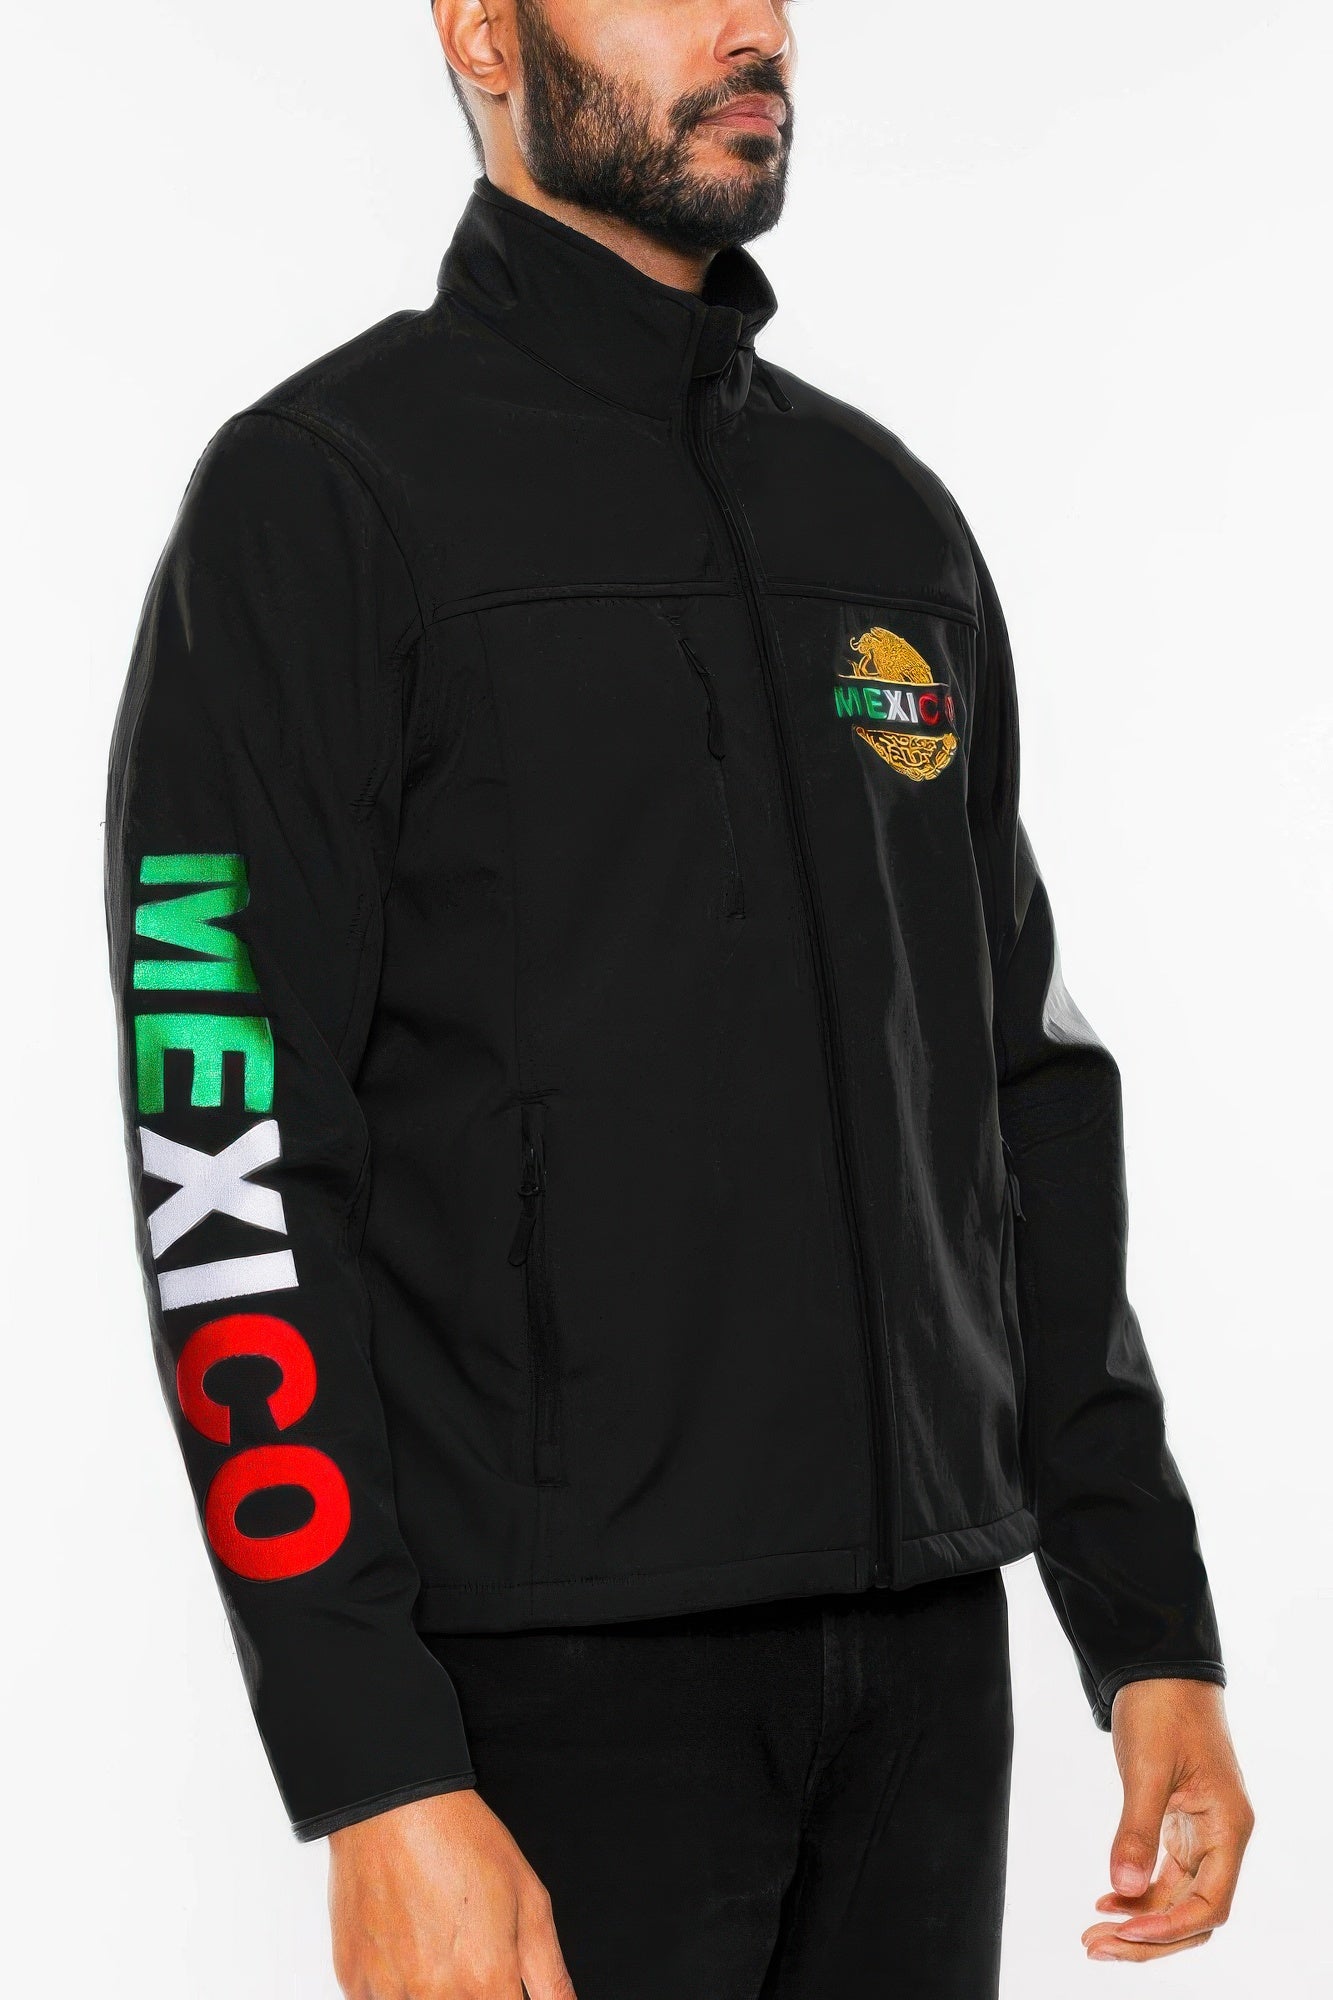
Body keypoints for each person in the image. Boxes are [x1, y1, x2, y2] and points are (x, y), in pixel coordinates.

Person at [103, 3, 1254, 1995]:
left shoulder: (881, 519)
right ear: (482, 31)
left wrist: (1142, 1618)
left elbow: (1017, 1090)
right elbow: (223, 1138)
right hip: (548, 1692)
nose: (749, 27)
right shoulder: (320, 495)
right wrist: (372, 1765)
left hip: (922, 1672)